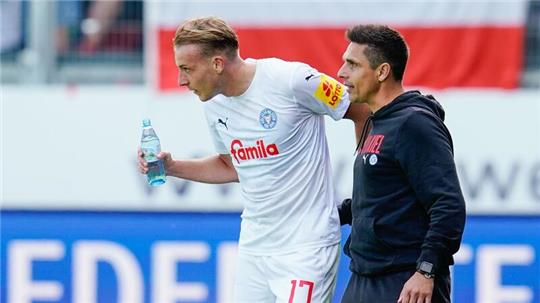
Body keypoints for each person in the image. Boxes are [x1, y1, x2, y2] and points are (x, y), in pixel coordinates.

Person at [137, 17, 369, 302]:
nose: (181, 80)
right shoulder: (214, 102)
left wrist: (369, 179)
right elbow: (230, 166)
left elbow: (361, 110)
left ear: (217, 64)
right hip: (254, 249)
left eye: (186, 69)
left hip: (306, 249)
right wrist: (172, 167)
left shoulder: (292, 80)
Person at [336, 24, 466, 303]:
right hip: (364, 276)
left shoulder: (414, 123)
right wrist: (328, 214)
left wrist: (426, 271)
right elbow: (380, 198)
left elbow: (447, 204)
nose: (341, 73)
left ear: (382, 72)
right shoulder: (376, 120)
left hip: (405, 280)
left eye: (352, 64)